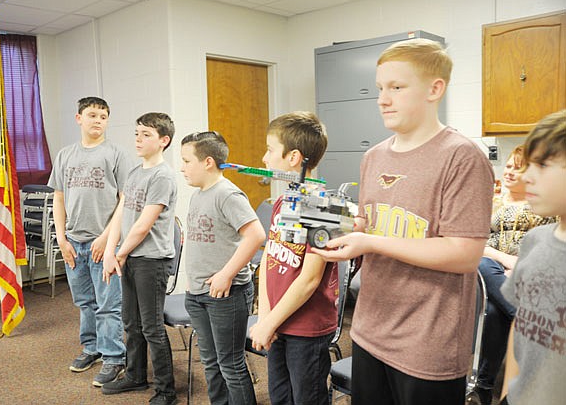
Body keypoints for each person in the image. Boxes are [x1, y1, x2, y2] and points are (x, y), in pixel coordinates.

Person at [312, 38, 494, 405]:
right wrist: (344, 230)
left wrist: (371, 242)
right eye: (381, 88)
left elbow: (464, 253)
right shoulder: (374, 156)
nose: (382, 99)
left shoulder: (461, 157)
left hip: (427, 343)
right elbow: (369, 222)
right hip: (369, 330)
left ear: (434, 89)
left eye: (396, 87)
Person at [249, 111, 337, 405]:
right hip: (277, 321)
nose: (264, 158)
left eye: (270, 150)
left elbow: (310, 279)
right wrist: (265, 317)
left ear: (293, 157)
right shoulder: (284, 200)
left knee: (306, 398)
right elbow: (268, 258)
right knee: (280, 397)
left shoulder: (322, 205)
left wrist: (269, 322)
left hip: (306, 329)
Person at [48, 96, 131, 387]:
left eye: (104, 116)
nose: (98, 120)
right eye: (92, 115)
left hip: (104, 244)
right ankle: (92, 348)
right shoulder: (65, 155)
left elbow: (126, 199)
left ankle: (113, 357)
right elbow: (58, 197)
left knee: (108, 304)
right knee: (85, 302)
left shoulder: (116, 154)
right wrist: (61, 239)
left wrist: (107, 239)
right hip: (74, 242)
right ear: (79, 118)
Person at [180, 131, 265, 405]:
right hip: (198, 294)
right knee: (211, 362)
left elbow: (256, 235)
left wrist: (226, 274)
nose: (182, 168)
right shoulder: (198, 194)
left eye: (186, 161)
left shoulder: (227, 194)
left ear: (207, 162)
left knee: (230, 364)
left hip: (226, 295)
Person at [101, 112, 178, 405]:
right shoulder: (135, 173)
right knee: (131, 322)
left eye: (146, 134)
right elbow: (121, 214)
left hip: (151, 261)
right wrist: (111, 251)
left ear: (163, 140)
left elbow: (144, 225)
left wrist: (118, 255)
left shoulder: (163, 176)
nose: (138, 139)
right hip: (130, 257)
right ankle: (135, 376)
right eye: (136, 133)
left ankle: (166, 391)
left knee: (152, 327)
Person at [471, 146, 555, 405]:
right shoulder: (490, 200)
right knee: (484, 262)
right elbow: (474, 242)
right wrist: (506, 261)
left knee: (494, 312)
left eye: (516, 167)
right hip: (488, 271)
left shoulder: (543, 206)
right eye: (507, 166)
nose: (508, 172)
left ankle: (483, 387)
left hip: (525, 276)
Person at [500, 110, 566, 405]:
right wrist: (507, 394)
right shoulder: (535, 240)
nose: (526, 176)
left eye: (541, 164)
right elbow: (521, 322)